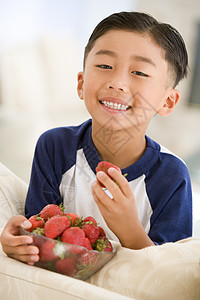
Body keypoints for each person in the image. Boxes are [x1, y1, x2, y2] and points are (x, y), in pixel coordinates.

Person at [0, 11, 192, 265]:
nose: (117, 82)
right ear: (81, 83)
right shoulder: (55, 147)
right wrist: (20, 243)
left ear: (167, 101)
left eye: (139, 73)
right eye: (104, 66)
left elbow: (171, 274)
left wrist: (129, 230)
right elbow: (39, 236)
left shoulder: (172, 176)